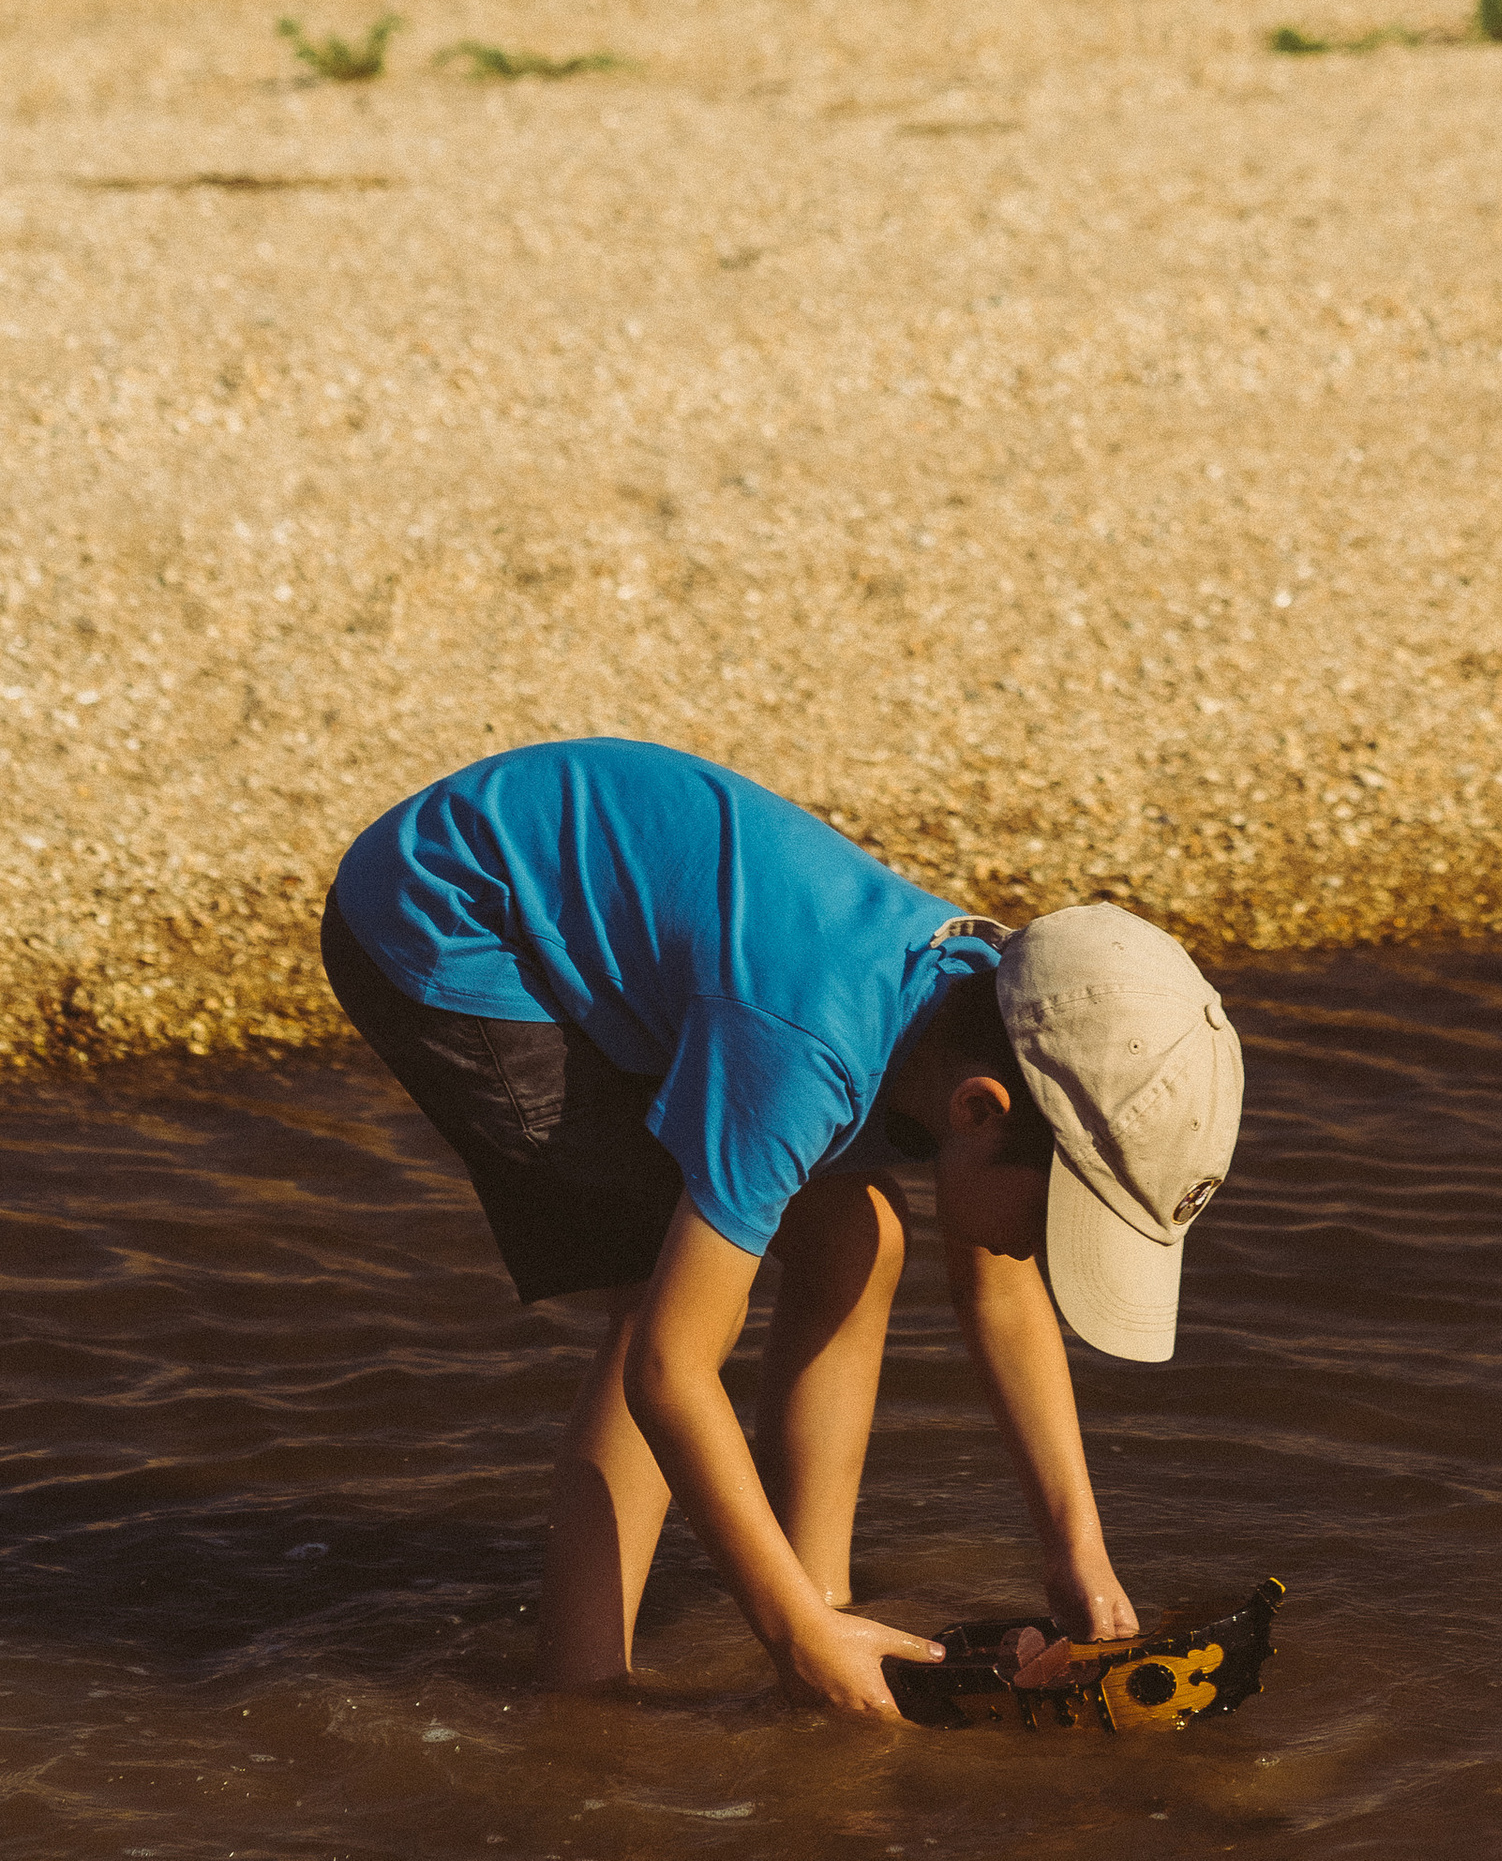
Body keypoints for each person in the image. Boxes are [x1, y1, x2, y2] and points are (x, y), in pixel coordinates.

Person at [320, 736, 1243, 1720]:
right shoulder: (806, 1051)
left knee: (860, 1236)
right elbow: (670, 1373)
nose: (1049, 1256)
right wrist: (787, 1638)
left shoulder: (989, 1020)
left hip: (639, 931)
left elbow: (1003, 1299)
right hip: (451, 909)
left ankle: (828, 1600)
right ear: (979, 1112)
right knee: (650, 1300)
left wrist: (1078, 1560)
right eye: (1062, 1223)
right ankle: (584, 1697)